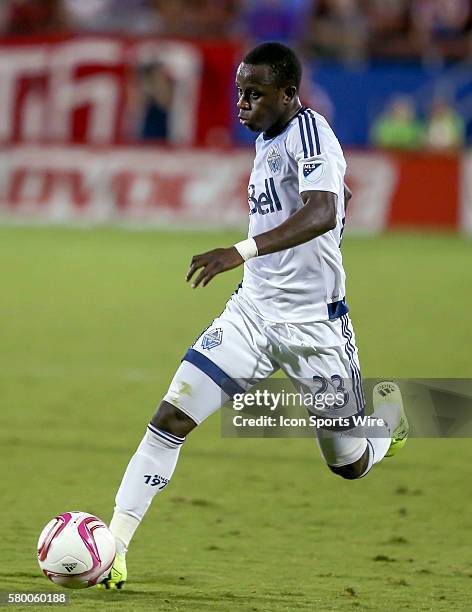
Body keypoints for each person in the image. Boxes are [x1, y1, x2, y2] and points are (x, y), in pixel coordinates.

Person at [99, 42, 409, 589]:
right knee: (172, 417)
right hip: (252, 314)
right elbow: (325, 201)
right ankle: (115, 548)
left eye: (255, 93)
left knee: (349, 463)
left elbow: (322, 209)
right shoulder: (269, 138)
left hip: (317, 328)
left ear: (289, 95)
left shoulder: (310, 131)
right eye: (239, 92)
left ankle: (388, 422)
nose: (242, 103)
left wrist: (237, 251)